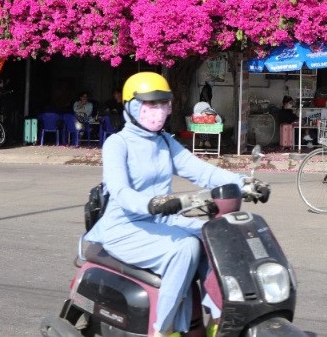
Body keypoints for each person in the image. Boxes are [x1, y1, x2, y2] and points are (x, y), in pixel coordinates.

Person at [84, 72, 247, 337]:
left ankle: (219, 318)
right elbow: (121, 192)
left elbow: (203, 171)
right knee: (185, 248)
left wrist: (245, 182)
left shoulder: (165, 142)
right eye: (151, 104)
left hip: (163, 220)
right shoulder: (118, 144)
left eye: (163, 103)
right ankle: (164, 328)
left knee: (214, 237)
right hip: (124, 227)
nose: (158, 111)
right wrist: (153, 203)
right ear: (132, 106)